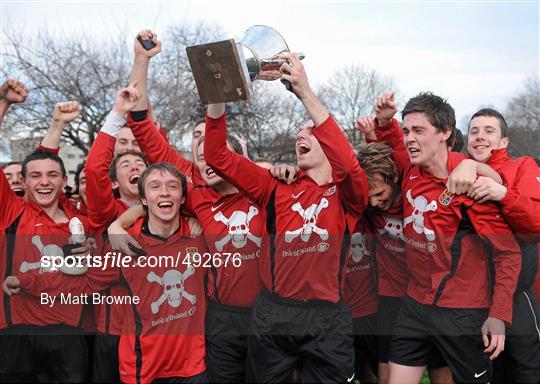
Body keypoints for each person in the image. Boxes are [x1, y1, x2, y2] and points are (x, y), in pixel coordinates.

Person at [110, 29, 266, 382]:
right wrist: (142, 60)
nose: (204, 147)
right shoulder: (190, 189)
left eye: (212, 142)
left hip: (268, 316)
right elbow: (141, 123)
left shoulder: (263, 188)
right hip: (221, 320)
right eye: (196, 141)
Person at [204, 52, 368, 383]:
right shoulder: (274, 187)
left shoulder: (347, 193)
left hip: (328, 317)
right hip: (273, 313)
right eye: (299, 134)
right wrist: (217, 97)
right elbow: (218, 156)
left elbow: (348, 165)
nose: (300, 137)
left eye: (310, 133)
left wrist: (305, 92)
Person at [365, 92, 522, 384]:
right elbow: (390, 147)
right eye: (407, 130)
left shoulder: (471, 184)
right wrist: (385, 123)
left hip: (463, 312)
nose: (410, 138)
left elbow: (507, 253)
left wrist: (499, 313)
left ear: (445, 133)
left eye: (419, 131)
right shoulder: (410, 169)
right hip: (414, 305)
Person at [4, 162, 209, 383]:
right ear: (142, 199)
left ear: (184, 198)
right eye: (155, 186)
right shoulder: (125, 248)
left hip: (193, 368)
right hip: (143, 368)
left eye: (172, 186)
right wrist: (26, 281)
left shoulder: (200, 238)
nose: (164, 192)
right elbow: (77, 282)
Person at [446, 108, 540, 383]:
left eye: (489, 131)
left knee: (525, 369)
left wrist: (504, 195)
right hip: (470, 299)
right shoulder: (456, 172)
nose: (480, 137)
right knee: (482, 371)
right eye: (474, 131)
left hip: (516, 296)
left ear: (503, 142)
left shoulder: (522, 166)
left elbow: (536, 224)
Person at [0, 149, 92, 382]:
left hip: (68, 334)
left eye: (52, 175)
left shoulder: (81, 224)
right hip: (16, 333)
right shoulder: (13, 212)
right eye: (35, 175)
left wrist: (95, 249)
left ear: (64, 180)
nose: (44, 182)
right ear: (23, 181)